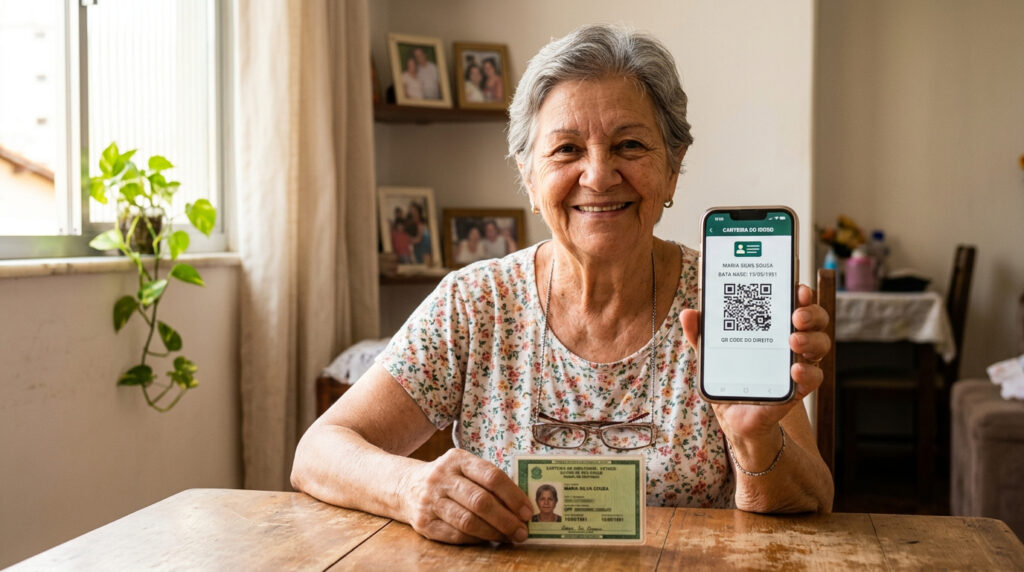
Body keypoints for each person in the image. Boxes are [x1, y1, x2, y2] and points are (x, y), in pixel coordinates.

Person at [292, 24, 833, 546]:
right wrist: (409, 488)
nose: (598, 175)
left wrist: (754, 438)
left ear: (672, 169)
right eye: (567, 149)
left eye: (629, 146)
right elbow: (319, 452)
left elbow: (810, 504)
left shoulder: (721, 299)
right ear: (529, 178)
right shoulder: (476, 304)